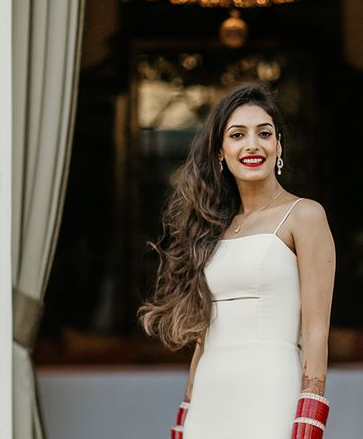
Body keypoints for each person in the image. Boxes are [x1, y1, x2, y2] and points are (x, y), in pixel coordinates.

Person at [138, 82, 336, 438]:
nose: (252, 145)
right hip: (212, 393)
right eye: (237, 135)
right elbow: (203, 337)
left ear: (278, 145)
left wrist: (310, 416)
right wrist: (185, 414)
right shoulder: (211, 228)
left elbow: (316, 330)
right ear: (220, 151)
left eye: (264, 133)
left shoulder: (304, 215)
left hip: (272, 388)